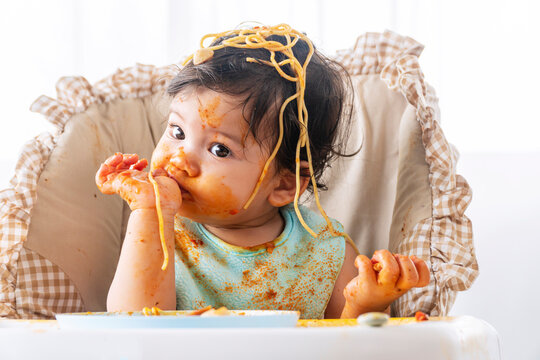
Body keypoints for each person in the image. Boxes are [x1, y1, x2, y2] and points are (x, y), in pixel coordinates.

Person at [95, 24, 429, 319]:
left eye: (219, 149)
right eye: (177, 132)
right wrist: (150, 212)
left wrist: (367, 304)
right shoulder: (159, 234)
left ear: (284, 184)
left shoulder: (324, 248)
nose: (180, 159)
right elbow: (133, 325)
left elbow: (352, 343)